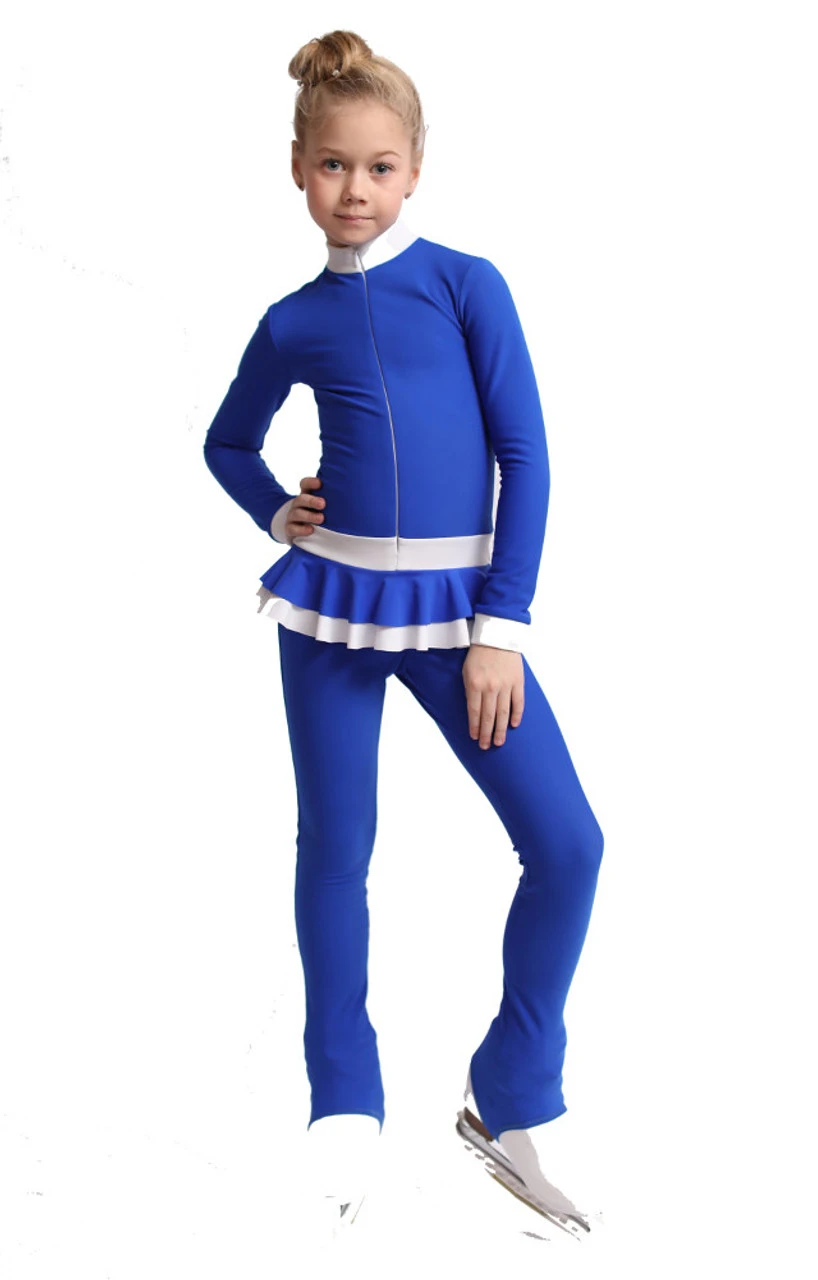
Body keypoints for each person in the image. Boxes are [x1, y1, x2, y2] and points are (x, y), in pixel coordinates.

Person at [203, 28, 605, 1236]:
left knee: (567, 843)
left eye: (378, 166)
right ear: (297, 168)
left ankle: (508, 1091)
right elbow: (226, 440)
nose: (354, 189)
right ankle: (343, 1099)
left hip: (458, 621)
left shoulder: (466, 284)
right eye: (332, 165)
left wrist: (500, 628)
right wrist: (273, 508)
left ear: (415, 169)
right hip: (327, 608)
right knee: (335, 847)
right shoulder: (291, 320)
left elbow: (525, 455)